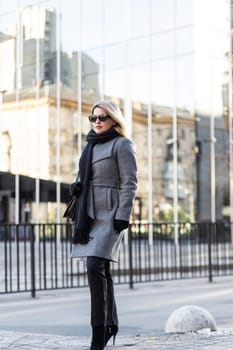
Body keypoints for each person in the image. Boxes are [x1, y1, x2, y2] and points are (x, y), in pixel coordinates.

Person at [69, 100, 137, 350]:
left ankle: (98, 333)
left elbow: (130, 182)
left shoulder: (123, 144)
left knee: (94, 264)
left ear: (114, 121)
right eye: (93, 117)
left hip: (110, 212)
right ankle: (110, 325)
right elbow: (82, 176)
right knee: (102, 270)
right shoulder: (89, 146)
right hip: (89, 211)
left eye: (103, 117)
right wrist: (75, 186)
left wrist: (124, 214)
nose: (97, 121)